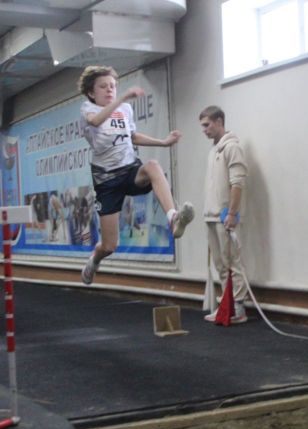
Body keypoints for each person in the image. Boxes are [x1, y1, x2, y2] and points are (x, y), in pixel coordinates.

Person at [77, 65, 194, 285]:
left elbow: (132, 136)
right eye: (103, 87)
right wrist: (122, 97)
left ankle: (173, 218)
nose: (110, 90)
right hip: (106, 180)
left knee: (152, 166)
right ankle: (94, 260)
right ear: (92, 92)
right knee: (110, 246)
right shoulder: (87, 109)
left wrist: (163, 142)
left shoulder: (125, 109)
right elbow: (95, 121)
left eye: (113, 86)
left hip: (129, 169)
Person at [199, 105, 248, 323]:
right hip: (210, 215)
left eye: (207, 125)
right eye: (202, 126)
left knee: (232, 262)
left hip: (225, 216)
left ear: (219, 121)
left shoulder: (232, 148)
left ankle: (239, 308)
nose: (204, 130)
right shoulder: (213, 150)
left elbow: (237, 183)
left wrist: (232, 213)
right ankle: (226, 306)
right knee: (220, 264)